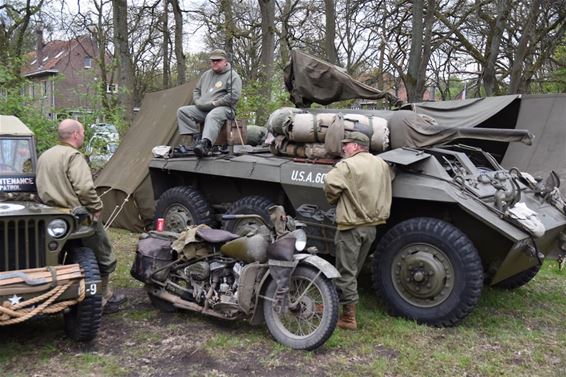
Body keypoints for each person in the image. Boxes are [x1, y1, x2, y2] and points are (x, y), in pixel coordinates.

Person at [36, 119, 126, 314]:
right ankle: (103, 298)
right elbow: (84, 188)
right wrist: (95, 207)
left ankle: (60, 294)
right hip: (76, 218)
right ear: (76, 134)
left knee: (58, 258)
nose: (84, 136)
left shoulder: (44, 156)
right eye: (83, 132)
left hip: (50, 219)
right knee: (103, 254)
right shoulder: (73, 156)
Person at [323, 132, 393, 330]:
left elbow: (330, 183)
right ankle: (333, 304)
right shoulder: (381, 164)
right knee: (353, 269)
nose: (343, 148)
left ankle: (348, 318)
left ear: (356, 146)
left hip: (351, 226)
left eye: (346, 145)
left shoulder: (347, 165)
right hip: (371, 227)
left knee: (345, 271)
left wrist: (334, 199)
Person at [177, 49, 242, 157]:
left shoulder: (233, 76)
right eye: (213, 60)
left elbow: (234, 96)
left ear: (225, 61)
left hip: (225, 109)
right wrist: (197, 101)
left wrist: (216, 103)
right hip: (204, 108)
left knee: (213, 115)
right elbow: (196, 90)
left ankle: (205, 144)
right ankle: (197, 138)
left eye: (218, 60)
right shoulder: (206, 75)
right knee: (183, 111)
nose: (215, 62)